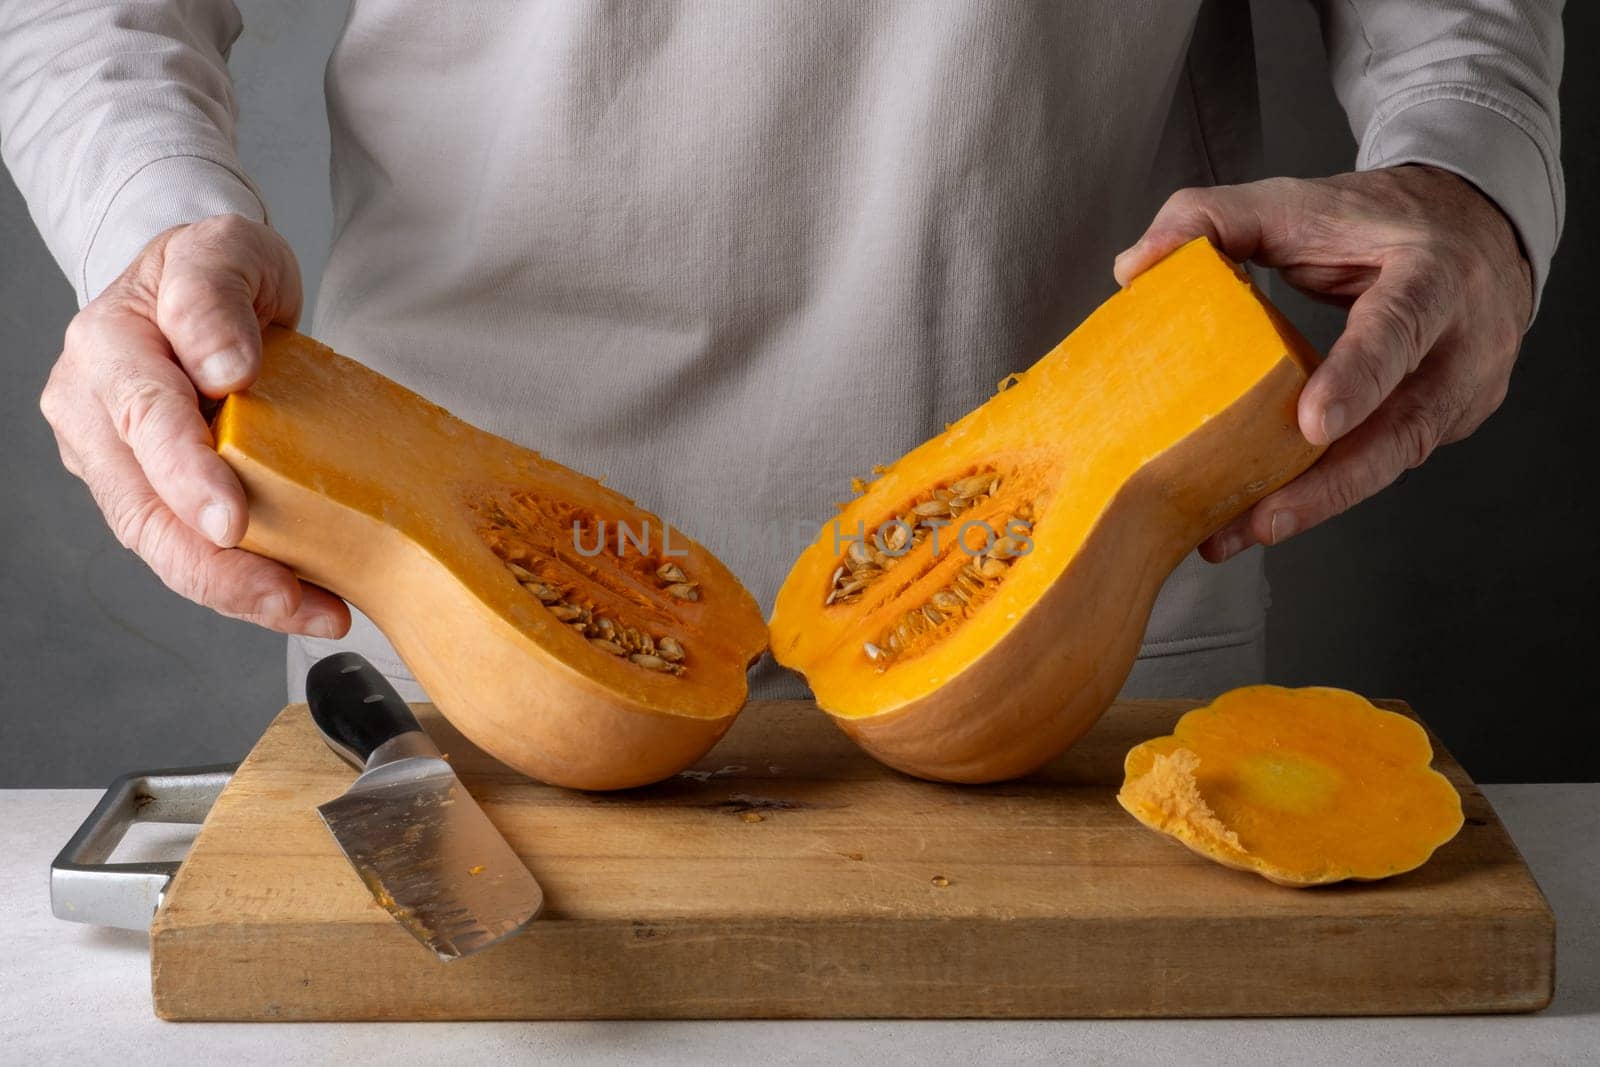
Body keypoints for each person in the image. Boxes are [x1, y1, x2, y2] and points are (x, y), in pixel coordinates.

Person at [1, 2, 1564, 704]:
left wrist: (1466, 180)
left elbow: (1457, 27)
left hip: (1098, 621)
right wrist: (150, 231)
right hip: (454, 650)